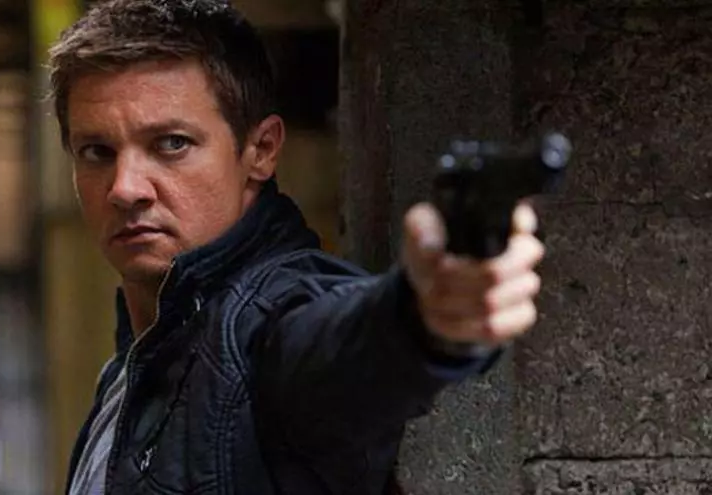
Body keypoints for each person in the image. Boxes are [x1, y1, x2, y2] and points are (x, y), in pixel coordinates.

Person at [48, 1, 546, 493]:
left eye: (171, 143)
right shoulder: (129, 371)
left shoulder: (272, 324)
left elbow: (345, 342)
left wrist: (423, 313)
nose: (125, 188)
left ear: (261, 150)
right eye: (97, 152)